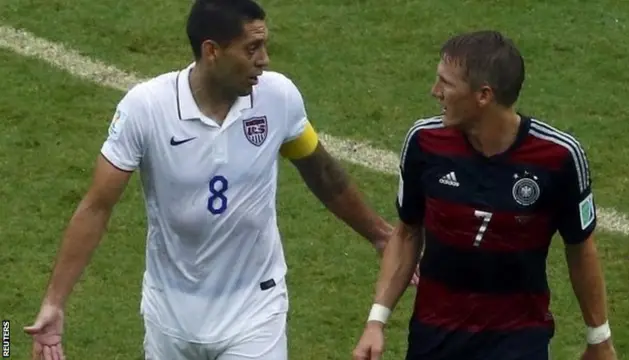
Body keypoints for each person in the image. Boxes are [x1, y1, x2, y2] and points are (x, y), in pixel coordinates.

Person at [24, 1, 394, 359]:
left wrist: (380, 234)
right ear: (212, 51)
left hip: (255, 308)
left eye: (264, 46)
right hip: (170, 312)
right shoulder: (146, 108)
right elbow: (96, 206)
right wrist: (54, 302)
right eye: (252, 48)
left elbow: (323, 173)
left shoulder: (277, 97)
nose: (264, 60)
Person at [352, 30, 617, 360]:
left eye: (446, 84)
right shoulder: (424, 142)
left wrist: (599, 338)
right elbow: (407, 233)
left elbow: (580, 247)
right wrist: (376, 321)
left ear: (483, 95)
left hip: (518, 339)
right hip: (435, 335)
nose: (435, 92)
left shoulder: (559, 156)